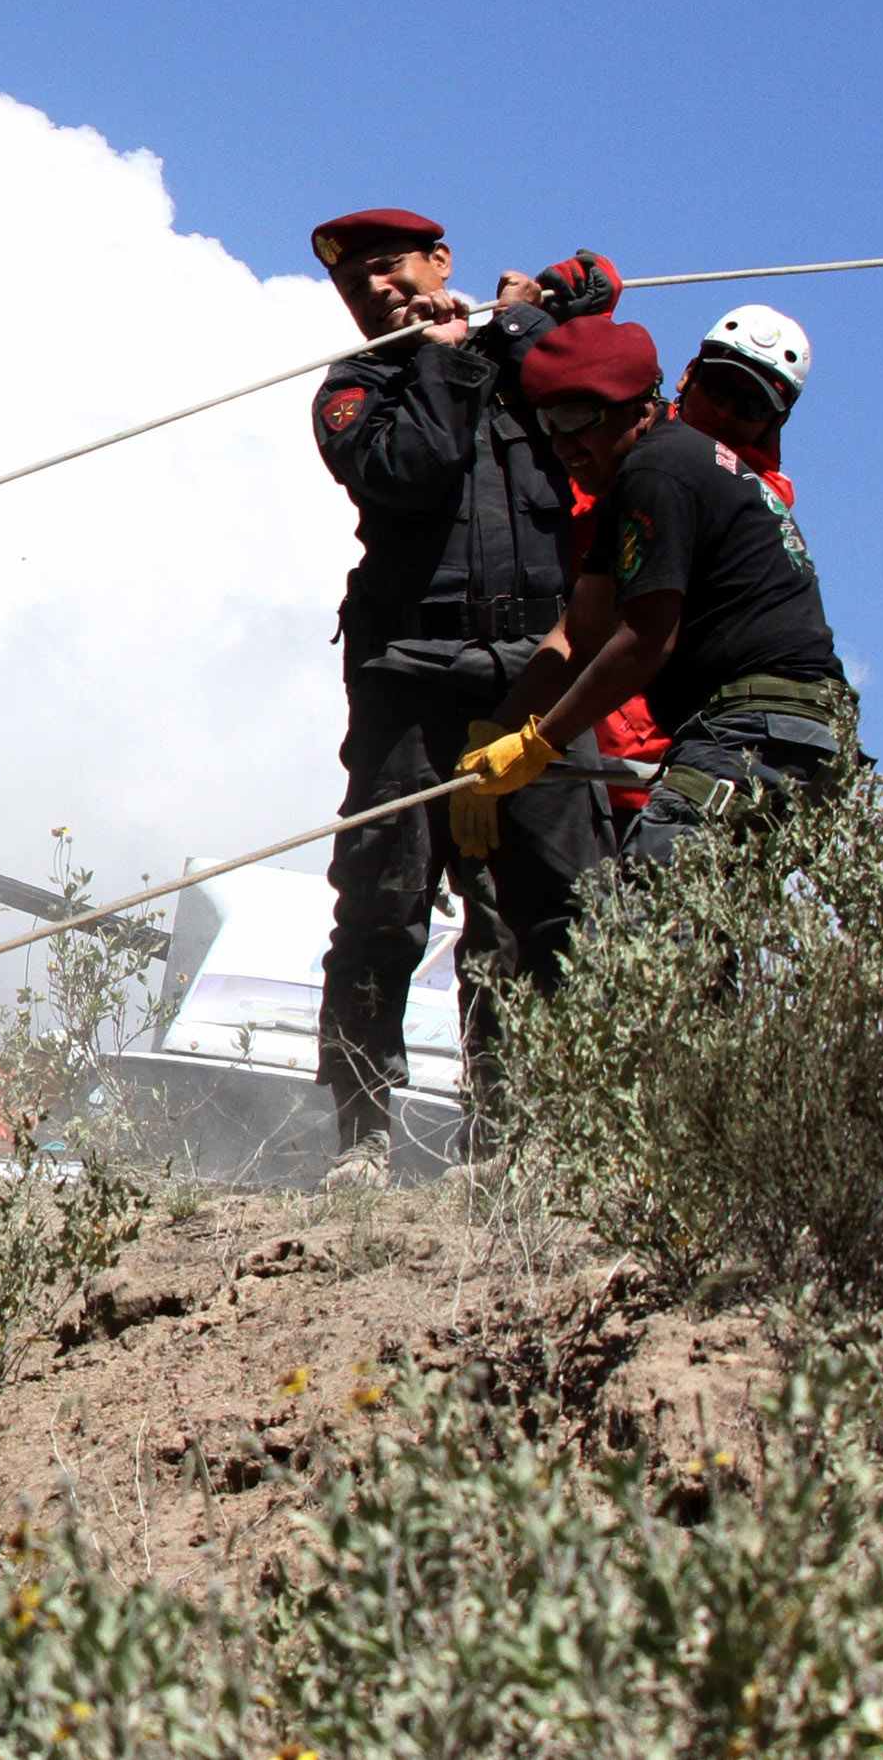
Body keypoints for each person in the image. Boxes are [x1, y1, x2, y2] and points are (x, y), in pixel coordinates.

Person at [304, 210, 611, 1190]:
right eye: (356, 285)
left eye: (390, 270)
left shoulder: (520, 354)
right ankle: (359, 1129)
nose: (375, 291)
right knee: (382, 897)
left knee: (543, 903)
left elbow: (600, 325)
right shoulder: (352, 391)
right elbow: (410, 467)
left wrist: (520, 321)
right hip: (407, 675)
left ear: (440, 263)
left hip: (534, 672)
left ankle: (520, 1129)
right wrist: (439, 359)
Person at [460, 315, 856, 860]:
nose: (565, 444)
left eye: (582, 420)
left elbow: (646, 640)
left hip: (758, 729)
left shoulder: (659, 469)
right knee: (687, 932)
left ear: (642, 409)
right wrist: (495, 732)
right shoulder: (655, 472)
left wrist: (539, 741)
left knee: (644, 921)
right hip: (788, 733)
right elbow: (579, 632)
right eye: (552, 421)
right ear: (688, 378)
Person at [675, 304, 810, 506]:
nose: (724, 412)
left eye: (751, 406)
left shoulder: (762, 509)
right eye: (717, 387)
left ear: (776, 423)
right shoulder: (628, 424)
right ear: (688, 374)